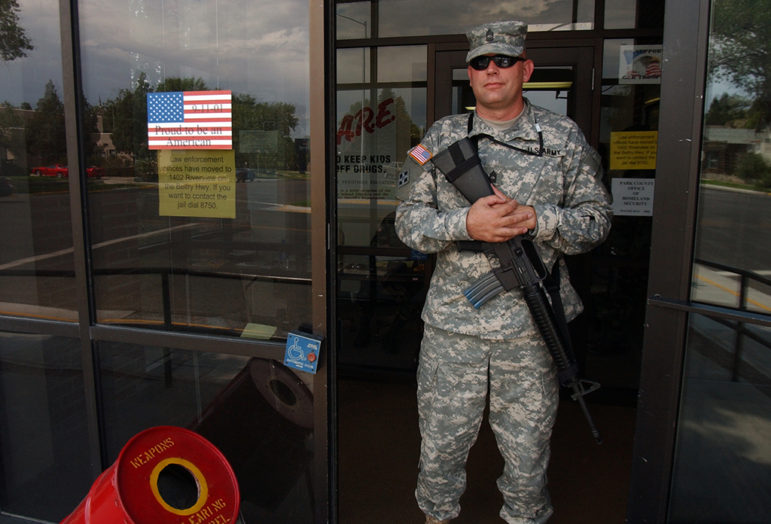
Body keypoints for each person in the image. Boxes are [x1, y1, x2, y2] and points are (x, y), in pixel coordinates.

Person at [394, 20, 612, 524]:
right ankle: (437, 515)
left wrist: (539, 219)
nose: (492, 70)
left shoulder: (563, 137)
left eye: (504, 60)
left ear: (526, 69)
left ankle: (523, 516)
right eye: (480, 63)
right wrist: (463, 223)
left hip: (532, 331)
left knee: (528, 448)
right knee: (442, 442)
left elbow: (597, 222)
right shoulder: (440, 137)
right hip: (454, 327)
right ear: (469, 76)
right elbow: (405, 220)